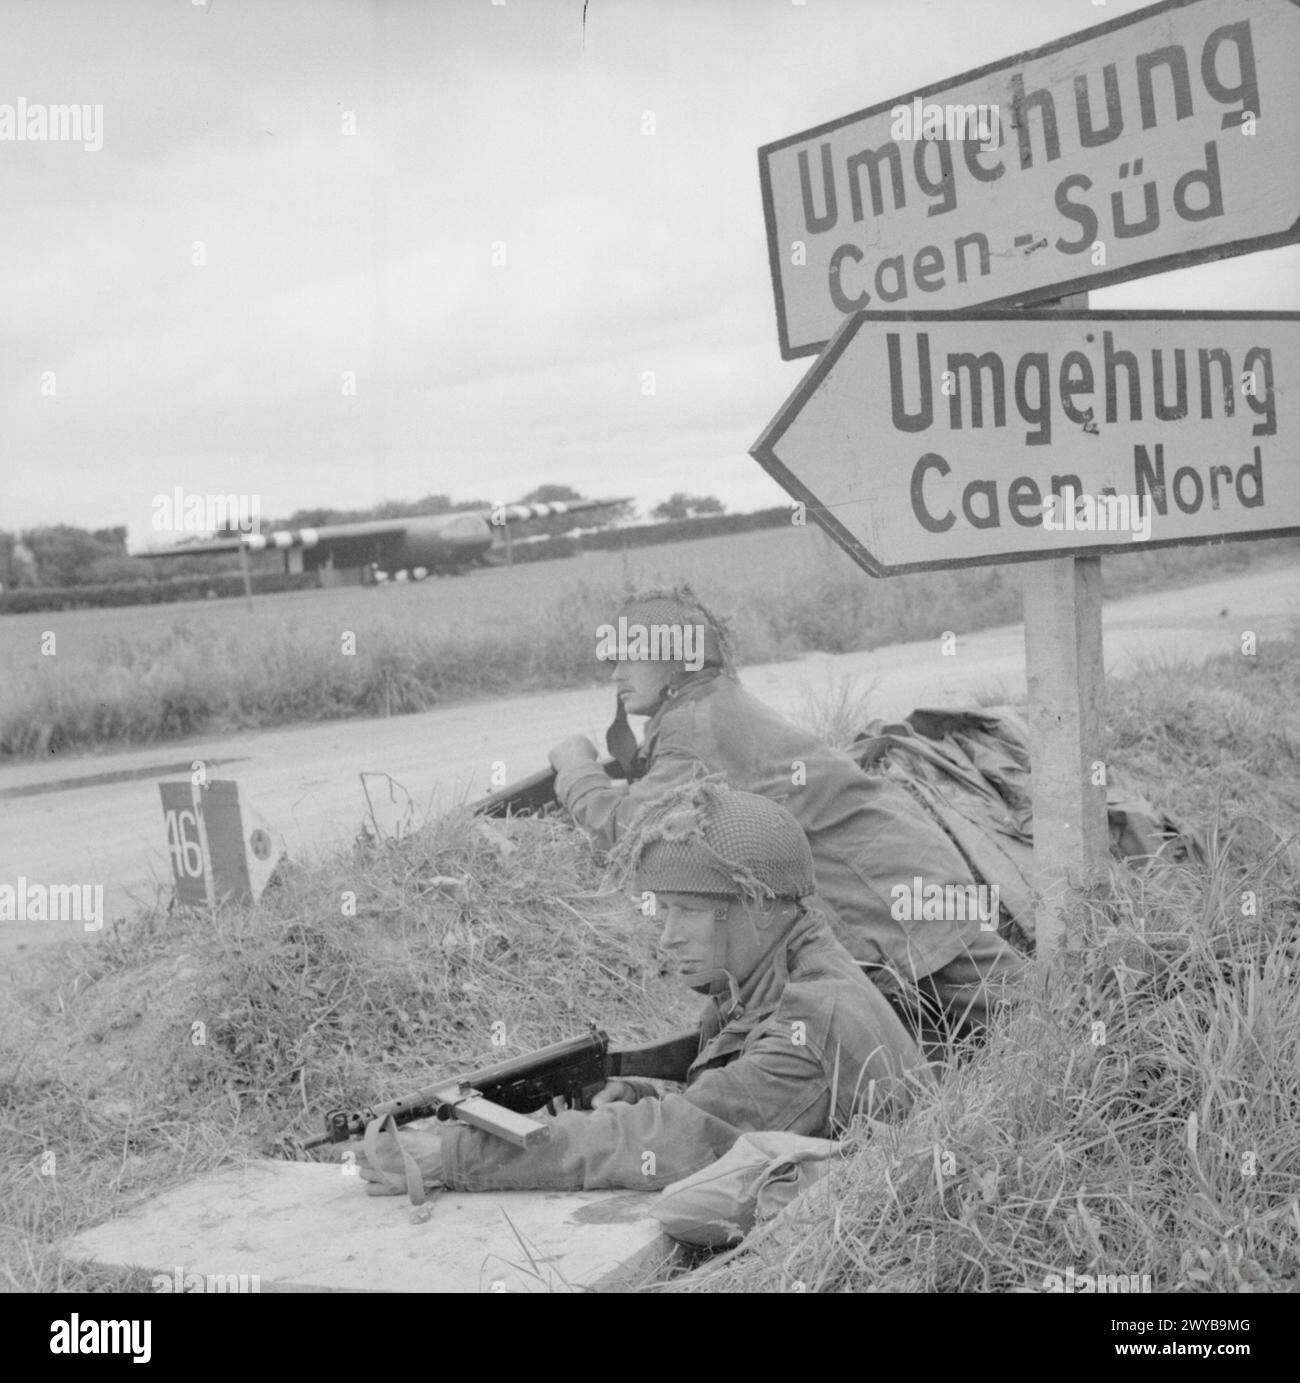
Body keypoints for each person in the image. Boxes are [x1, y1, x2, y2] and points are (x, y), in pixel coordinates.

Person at [360, 783, 928, 1198]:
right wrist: (635, 1091)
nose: (667, 936)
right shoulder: (778, 973)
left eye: (687, 912)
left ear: (756, 905)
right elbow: (725, 1094)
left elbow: (679, 1143)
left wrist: (455, 1155)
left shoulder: (810, 1020)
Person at [547, 586, 1026, 1043]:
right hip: (897, 889)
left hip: (892, 900)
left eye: (631, 656)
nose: (615, 673)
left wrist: (575, 770)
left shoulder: (697, 723)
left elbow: (633, 830)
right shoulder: (707, 709)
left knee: (1036, 1019)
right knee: (963, 1040)